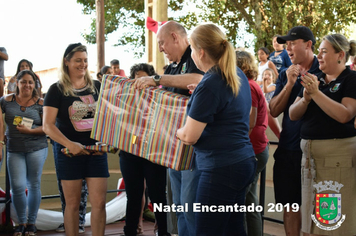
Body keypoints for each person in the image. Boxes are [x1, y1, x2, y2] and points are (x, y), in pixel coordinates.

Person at [176, 23, 256, 236]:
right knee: (233, 228)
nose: (191, 54)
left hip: (221, 167)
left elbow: (190, 136)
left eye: (191, 49)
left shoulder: (211, 83)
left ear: (200, 52)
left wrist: (174, 131)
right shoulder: (235, 73)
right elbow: (237, 113)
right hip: (242, 161)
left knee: (207, 230)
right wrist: (200, 96)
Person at [134, 21, 204, 236]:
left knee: (190, 207)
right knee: (180, 208)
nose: (161, 48)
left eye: (162, 42)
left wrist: (156, 79)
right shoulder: (173, 66)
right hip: (172, 148)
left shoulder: (195, 55)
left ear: (175, 37)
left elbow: (198, 79)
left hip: (192, 147)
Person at [289, 34, 356, 236]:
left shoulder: (351, 79)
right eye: (319, 51)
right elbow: (292, 114)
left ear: (340, 55)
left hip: (336, 162)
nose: (318, 56)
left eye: (324, 52)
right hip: (310, 163)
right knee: (312, 223)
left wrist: (317, 94)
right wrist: (306, 99)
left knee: (332, 224)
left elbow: (345, 114)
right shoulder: (315, 78)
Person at [43, 43, 109, 236]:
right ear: (67, 62)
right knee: (72, 205)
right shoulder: (56, 90)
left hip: (96, 152)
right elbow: (48, 125)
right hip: (68, 152)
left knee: (99, 203)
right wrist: (70, 144)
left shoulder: (97, 87)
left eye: (86, 60)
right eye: (78, 60)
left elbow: (109, 117)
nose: (83, 64)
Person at [269, 26, 321, 236]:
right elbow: (273, 110)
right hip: (289, 150)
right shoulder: (285, 73)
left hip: (317, 151)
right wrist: (289, 84)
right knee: (290, 207)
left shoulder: (325, 70)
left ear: (308, 44)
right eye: (286, 44)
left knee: (318, 210)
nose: (287, 48)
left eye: (292, 43)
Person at [119, 62, 172, 236]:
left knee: (157, 195)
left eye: (143, 77)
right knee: (133, 196)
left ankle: (163, 231)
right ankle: (130, 231)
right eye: (136, 78)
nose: (139, 81)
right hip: (130, 151)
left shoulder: (161, 97)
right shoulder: (125, 97)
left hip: (154, 153)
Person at [1, 69, 48, 236]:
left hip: (37, 148)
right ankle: (20, 222)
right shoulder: (5, 101)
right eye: (23, 82)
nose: (27, 85)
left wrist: (30, 131)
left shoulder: (42, 103)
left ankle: (31, 223)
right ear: (17, 84)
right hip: (14, 150)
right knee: (18, 187)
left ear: (35, 84)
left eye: (30, 82)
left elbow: (48, 128)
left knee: (33, 185)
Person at [236, 50, 268, 236]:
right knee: (249, 202)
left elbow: (250, 121)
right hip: (255, 149)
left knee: (240, 201)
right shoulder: (251, 85)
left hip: (251, 150)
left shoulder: (247, 86)